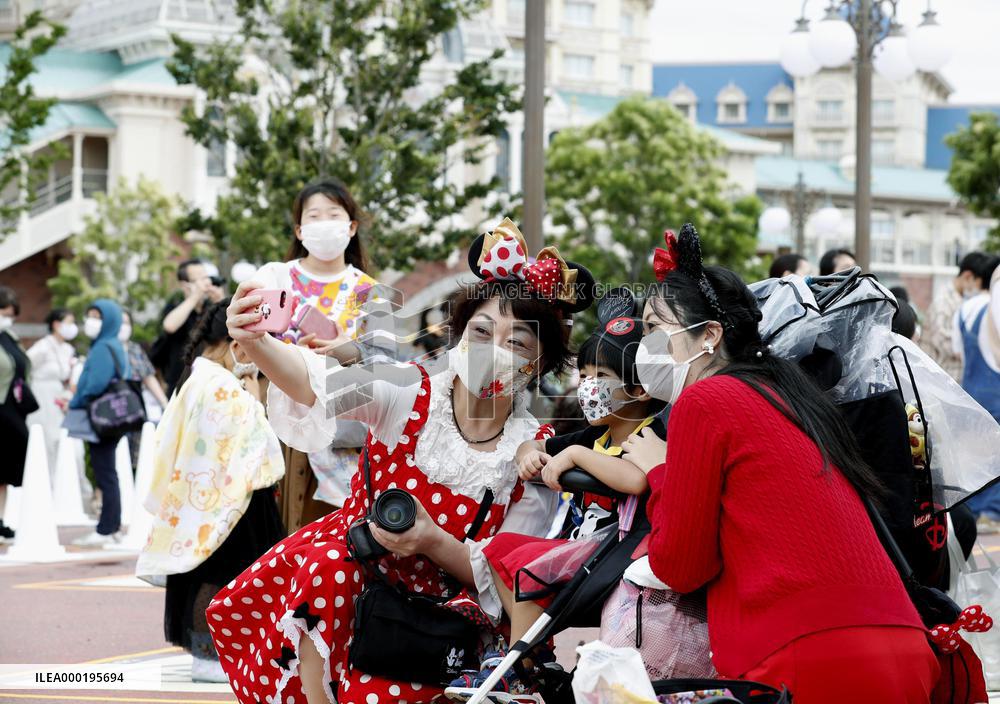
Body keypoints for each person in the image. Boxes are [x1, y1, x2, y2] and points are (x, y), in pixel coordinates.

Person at [206, 217, 594, 704]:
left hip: (442, 618)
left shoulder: (532, 455)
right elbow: (313, 383)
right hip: (349, 578)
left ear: (537, 365)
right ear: (457, 336)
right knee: (329, 565)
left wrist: (431, 540)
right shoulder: (409, 391)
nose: (492, 351)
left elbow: (508, 580)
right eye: (480, 331)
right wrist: (258, 342)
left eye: (516, 342)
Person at [622, 224, 937, 703]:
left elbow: (681, 567)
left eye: (653, 329)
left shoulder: (704, 401)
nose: (643, 346)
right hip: (903, 644)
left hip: (805, 657)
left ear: (709, 334)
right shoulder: (790, 397)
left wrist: (658, 470)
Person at [463, 289, 666, 694]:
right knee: (499, 549)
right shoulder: (597, 434)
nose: (588, 387)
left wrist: (575, 454)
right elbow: (540, 445)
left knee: (527, 565)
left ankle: (520, 665)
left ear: (641, 390)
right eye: (586, 375)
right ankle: (529, 655)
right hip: (584, 549)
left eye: (601, 378)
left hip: (619, 555)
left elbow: (635, 479)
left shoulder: (652, 433)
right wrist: (528, 453)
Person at [136, 300, 285, 683]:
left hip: (205, 495)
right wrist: (253, 396)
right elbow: (258, 437)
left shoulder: (198, 377)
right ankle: (210, 655)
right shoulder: (220, 385)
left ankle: (211, 653)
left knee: (213, 574)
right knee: (225, 575)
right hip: (231, 499)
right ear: (235, 344)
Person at [251, 180, 391, 532]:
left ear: (351, 227)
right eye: (314, 216)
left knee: (333, 537)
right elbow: (247, 343)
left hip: (341, 436)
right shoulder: (275, 278)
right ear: (299, 229)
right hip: (275, 429)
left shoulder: (371, 292)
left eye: (334, 214)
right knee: (280, 537)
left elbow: (388, 364)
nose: (324, 223)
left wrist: (350, 349)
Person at [70, 300, 130, 547]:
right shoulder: (114, 345)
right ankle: (111, 525)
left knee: (103, 471)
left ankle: (106, 527)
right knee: (108, 471)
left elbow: (95, 383)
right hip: (113, 416)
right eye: (90, 315)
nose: (91, 321)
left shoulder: (102, 347)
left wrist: (77, 399)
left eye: (98, 316)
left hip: (100, 416)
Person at [951, 251, 1000, 533]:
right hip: (995, 389)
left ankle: (977, 509)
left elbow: (958, 352)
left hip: (970, 392)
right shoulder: (994, 307)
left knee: (976, 456)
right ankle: (992, 512)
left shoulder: (964, 309)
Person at [155, 259, 225, 396]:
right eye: (197, 280)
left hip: (210, 384)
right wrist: (194, 297)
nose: (205, 283)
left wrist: (221, 302)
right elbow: (169, 326)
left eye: (205, 278)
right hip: (180, 384)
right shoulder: (175, 306)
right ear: (184, 285)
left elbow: (227, 333)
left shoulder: (211, 307)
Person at [0, 286, 37, 541]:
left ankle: (0, 520)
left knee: (3, 473)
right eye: (3, 312)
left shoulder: (9, 337)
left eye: (11, 314)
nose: (7, 318)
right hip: (2, 413)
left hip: (10, 413)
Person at [26, 308, 78, 474]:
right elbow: (26, 365)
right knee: (45, 439)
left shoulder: (68, 349)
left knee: (60, 439)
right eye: (69, 322)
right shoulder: (43, 346)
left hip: (59, 396)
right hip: (42, 395)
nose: (72, 327)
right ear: (56, 324)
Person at [119, 310, 168, 469]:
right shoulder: (106, 348)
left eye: (127, 322)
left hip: (135, 410)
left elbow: (148, 377)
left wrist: (164, 404)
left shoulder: (135, 349)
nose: (123, 327)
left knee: (137, 459)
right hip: (113, 410)